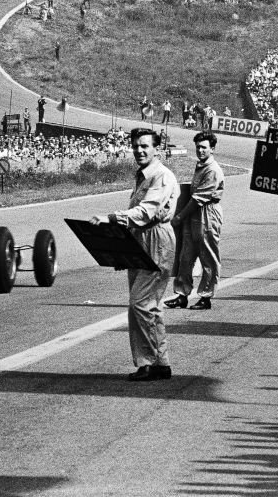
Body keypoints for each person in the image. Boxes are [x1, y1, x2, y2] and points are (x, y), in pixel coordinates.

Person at [90, 128, 179, 381]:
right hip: (141, 239)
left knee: (140, 303)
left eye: (145, 146)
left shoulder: (161, 175)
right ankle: (160, 362)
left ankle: (149, 363)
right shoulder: (143, 175)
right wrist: (124, 252)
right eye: (136, 146)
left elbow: (145, 212)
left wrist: (110, 218)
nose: (139, 150)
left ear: (156, 149)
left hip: (156, 239)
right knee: (149, 306)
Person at [166, 131, 224, 311]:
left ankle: (206, 297)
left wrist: (179, 216)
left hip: (207, 213)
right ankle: (182, 294)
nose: (200, 150)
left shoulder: (213, 170)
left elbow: (199, 198)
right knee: (186, 255)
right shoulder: (201, 166)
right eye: (198, 147)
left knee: (208, 257)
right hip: (194, 214)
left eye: (204, 147)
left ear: (212, 149)